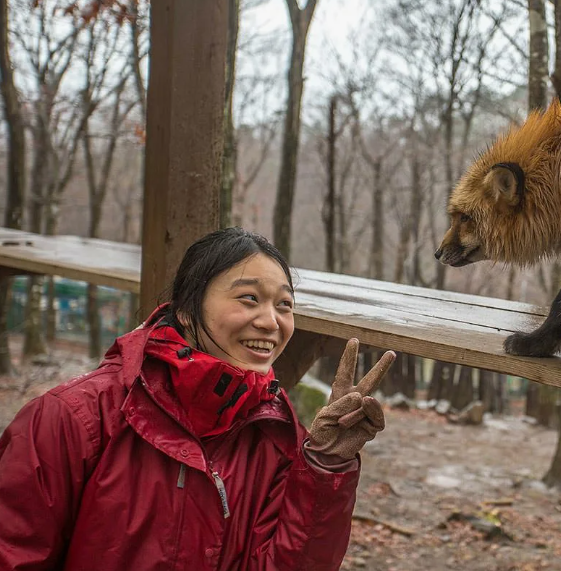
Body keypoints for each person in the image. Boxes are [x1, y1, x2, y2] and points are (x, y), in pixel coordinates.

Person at [0, 227, 395, 571]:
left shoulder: (278, 436)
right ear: (187, 311)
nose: (271, 321)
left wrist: (325, 466)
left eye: (284, 304)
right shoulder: (74, 416)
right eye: (248, 298)